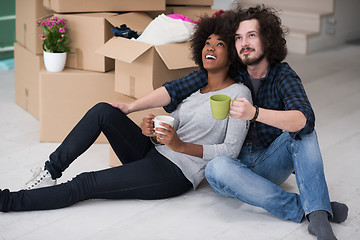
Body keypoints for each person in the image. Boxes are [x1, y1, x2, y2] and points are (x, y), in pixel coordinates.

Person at [0, 14, 251, 212]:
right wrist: (152, 132)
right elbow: (171, 132)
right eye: (207, 42)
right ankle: (50, 171)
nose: (211, 47)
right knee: (104, 111)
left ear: (233, 55)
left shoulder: (239, 93)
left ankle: (8, 202)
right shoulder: (196, 90)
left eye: (220, 45)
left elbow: (230, 150)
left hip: (175, 172)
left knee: (85, 183)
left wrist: (180, 145)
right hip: (155, 152)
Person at [157, 5, 349, 240]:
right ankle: (314, 209)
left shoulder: (283, 75)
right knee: (216, 167)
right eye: (238, 38)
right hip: (232, 168)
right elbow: (177, 89)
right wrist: (129, 107)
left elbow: (304, 119)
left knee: (304, 133)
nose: (244, 43)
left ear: (267, 40)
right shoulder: (231, 72)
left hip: (270, 162)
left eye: (251, 35)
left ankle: (317, 218)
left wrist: (255, 113)